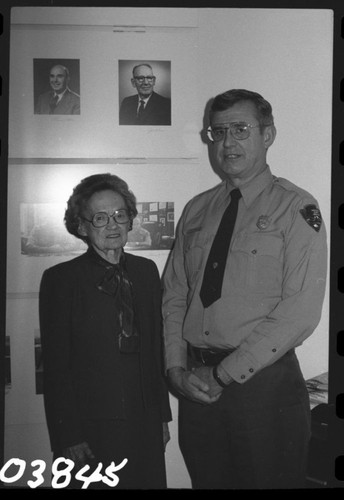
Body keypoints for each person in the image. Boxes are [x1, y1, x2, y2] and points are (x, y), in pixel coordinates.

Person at [162, 89, 327, 489]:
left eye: (240, 129)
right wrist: (175, 368)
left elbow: (299, 312)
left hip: (263, 387)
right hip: (197, 385)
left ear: (268, 135)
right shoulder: (197, 209)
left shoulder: (296, 208)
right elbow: (175, 295)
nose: (227, 142)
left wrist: (223, 375)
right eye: (217, 132)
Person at [39, 173, 171, 489]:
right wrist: (68, 436)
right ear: (82, 227)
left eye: (119, 215)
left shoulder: (146, 271)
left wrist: (162, 416)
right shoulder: (61, 280)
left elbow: (155, 349)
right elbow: (56, 366)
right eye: (100, 218)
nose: (112, 225)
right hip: (91, 426)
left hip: (144, 420)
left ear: (130, 221)